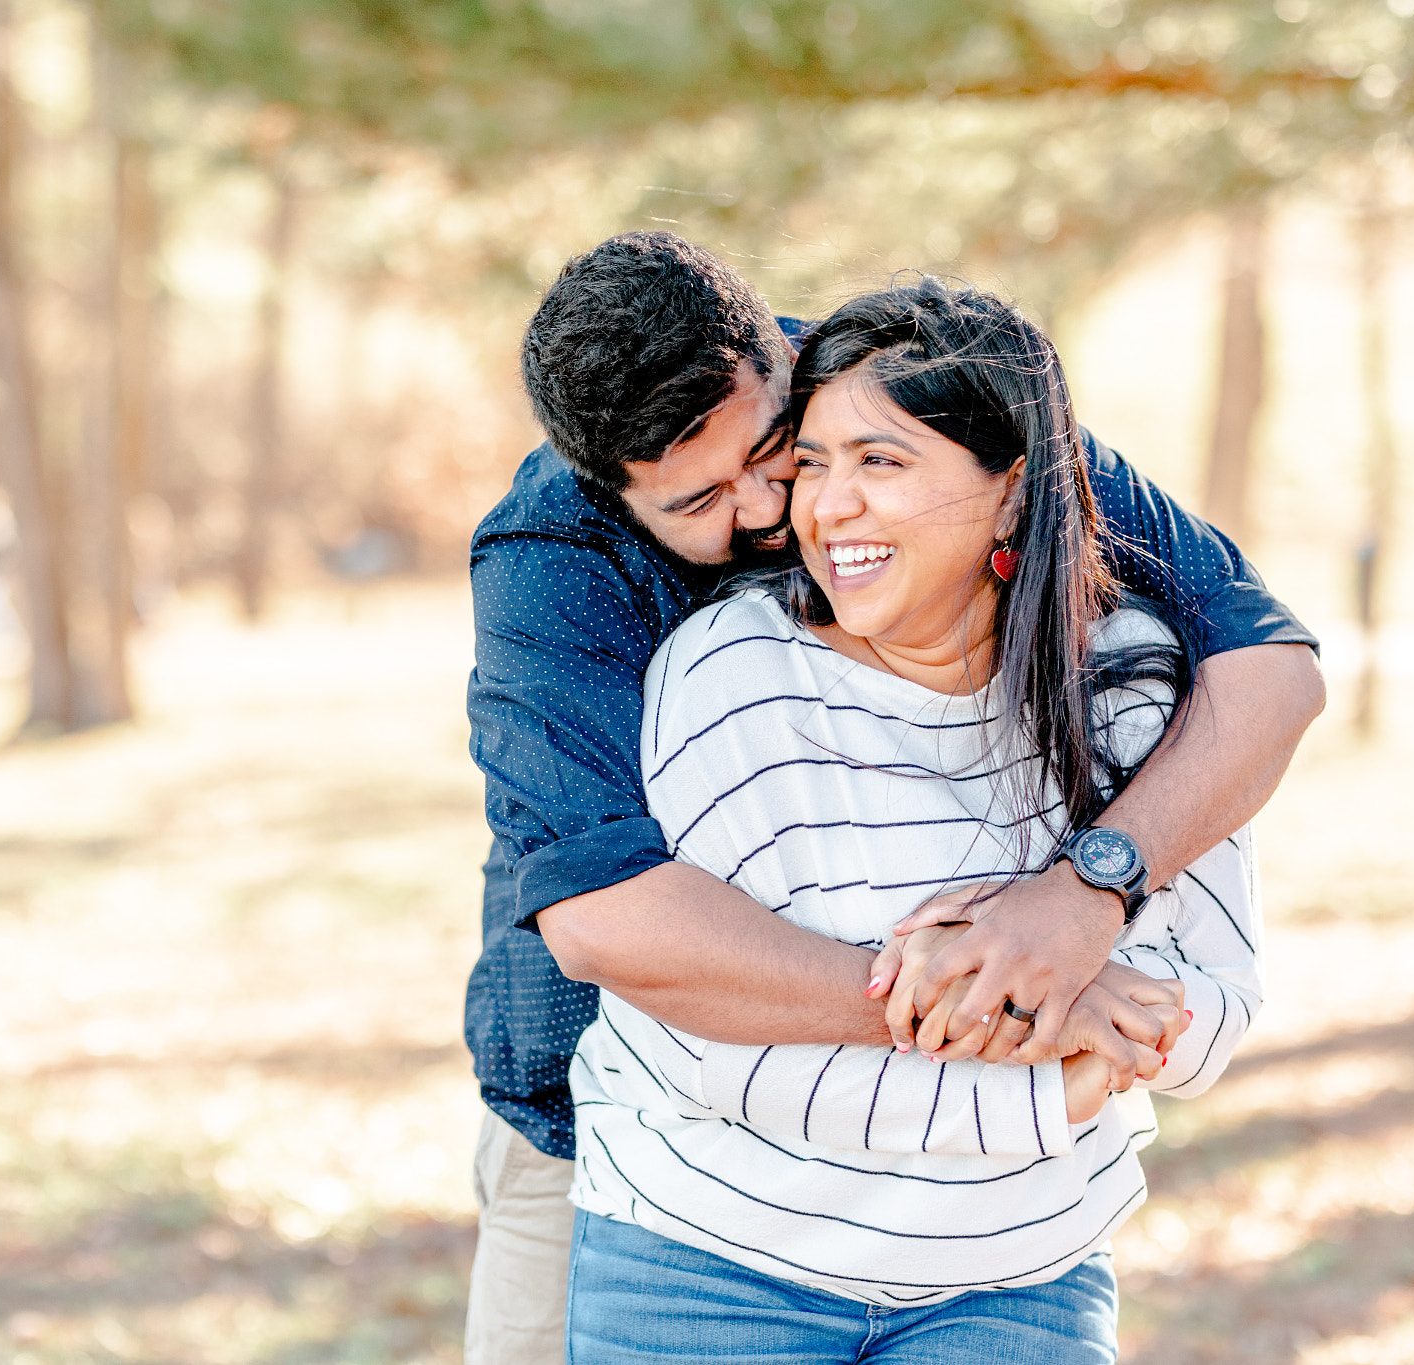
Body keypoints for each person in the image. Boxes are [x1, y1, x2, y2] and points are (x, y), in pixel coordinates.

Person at [464, 232, 1320, 1363]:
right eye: (699, 501)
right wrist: (1004, 999)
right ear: (615, 494)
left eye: (776, 448)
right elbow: (611, 918)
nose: (777, 507)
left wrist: (1079, 902)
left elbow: (1268, 668)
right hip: (625, 1150)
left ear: (778, 355)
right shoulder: (552, 559)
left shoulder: (919, 404)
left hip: (980, 1236)